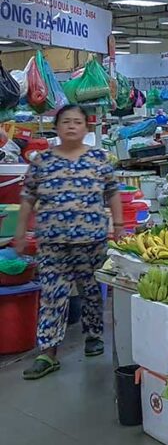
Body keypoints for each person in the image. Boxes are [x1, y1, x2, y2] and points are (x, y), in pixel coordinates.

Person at [15, 104, 122, 379]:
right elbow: (27, 198)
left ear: (86, 128)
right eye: (66, 121)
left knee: (91, 292)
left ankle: (94, 336)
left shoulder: (99, 159)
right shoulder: (42, 161)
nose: (72, 126)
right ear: (57, 127)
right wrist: (19, 232)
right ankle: (48, 352)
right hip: (52, 243)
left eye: (77, 122)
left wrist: (119, 226)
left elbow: (113, 194)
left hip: (92, 241)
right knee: (52, 295)